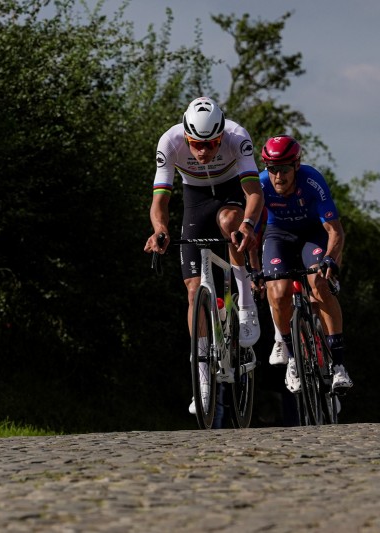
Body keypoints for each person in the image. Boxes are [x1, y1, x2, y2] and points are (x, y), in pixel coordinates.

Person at [144, 97, 264, 415]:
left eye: (211, 144)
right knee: (194, 291)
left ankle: (246, 304)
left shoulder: (238, 137)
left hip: (230, 195)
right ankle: (202, 380)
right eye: (196, 144)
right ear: (186, 136)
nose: (203, 152)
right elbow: (160, 201)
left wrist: (249, 225)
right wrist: (160, 230)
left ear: (221, 135)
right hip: (195, 200)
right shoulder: (169, 142)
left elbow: (254, 193)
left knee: (230, 224)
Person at [258, 135, 352, 394]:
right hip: (278, 234)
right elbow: (254, 229)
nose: (278, 176)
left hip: (313, 234)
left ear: (296, 166)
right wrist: (253, 270)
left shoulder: (312, 181)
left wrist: (330, 259)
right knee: (277, 292)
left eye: (285, 169)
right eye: (273, 169)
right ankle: (291, 356)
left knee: (319, 284)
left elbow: (335, 232)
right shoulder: (261, 184)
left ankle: (339, 367)